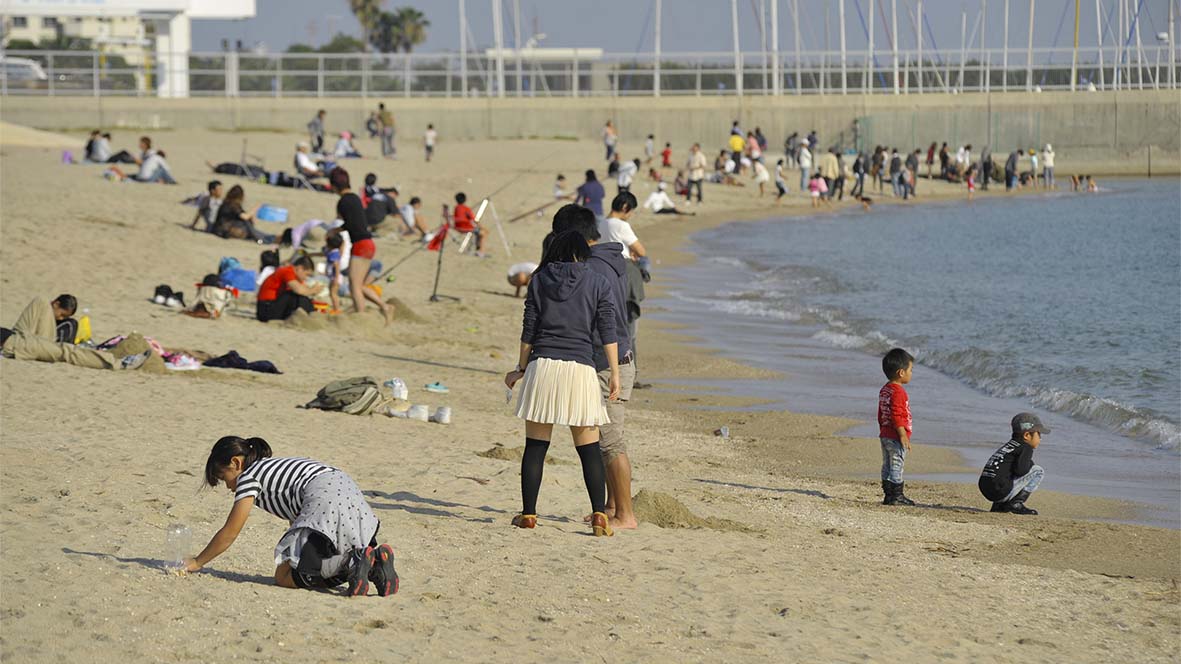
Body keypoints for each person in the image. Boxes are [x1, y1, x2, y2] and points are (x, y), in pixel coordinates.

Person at [503, 230, 620, 536]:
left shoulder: (539, 280)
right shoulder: (598, 282)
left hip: (543, 367)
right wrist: (616, 375)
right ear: (583, 254)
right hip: (581, 369)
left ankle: (529, 514)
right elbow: (608, 331)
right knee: (589, 449)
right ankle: (599, 515)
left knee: (536, 447)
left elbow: (529, 330)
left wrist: (520, 368)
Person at [183, 436, 399, 596]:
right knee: (320, 554)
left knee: (284, 576)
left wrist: (197, 562)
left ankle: (351, 561)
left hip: (324, 499)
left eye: (224, 478)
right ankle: (376, 565)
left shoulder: (248, 478)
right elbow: (298, 513)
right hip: (349, 490)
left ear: (236, 464)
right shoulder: (272, 466)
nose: (229, 487)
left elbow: (230, 532)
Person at [553, 205, 638, 529]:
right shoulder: (609, 261)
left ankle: (626, 515)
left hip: (609, 363)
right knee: (602, 438)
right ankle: (611, 507)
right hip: (613, 358)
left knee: (610, 440)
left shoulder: (593, 269)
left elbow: (597, 319)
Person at [0, 296, 149, 371]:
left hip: (17, 336)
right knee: (66, 350)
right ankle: (120, 364)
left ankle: (45, 345)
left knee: (41, 300)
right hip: (13, 344)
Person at [330, 168, 394, 323]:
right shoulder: (356, 198)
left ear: (333, 186)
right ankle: (383, 307)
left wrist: (336, 230)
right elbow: (357, 222)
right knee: (359, 285)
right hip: (368, 243)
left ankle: (362, 317)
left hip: (360, 244)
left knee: (354, 286)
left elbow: (349, 223)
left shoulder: (343, 202)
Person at [978, 414, 1049, 515]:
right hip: (1000, 491)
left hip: (986, 488)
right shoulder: (1026, 447)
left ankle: (999, 505)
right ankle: (1016, 503)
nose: (1040, 439)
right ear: (1027, 435)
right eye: (1039, 434)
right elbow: (1021, 471)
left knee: (1006, 473)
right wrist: (1030, 464)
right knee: (1038, 471)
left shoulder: (1009, 446)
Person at [878, 348, 915, 506]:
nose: (911, 373)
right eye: (910, 370)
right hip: (895, 435)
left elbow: (881, 413)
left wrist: (882, 428)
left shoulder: (885, 389)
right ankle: (896, 496)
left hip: (885, 434)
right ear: (901, 372)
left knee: (887, 464)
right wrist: (902, 434)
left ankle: (888, 494)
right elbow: (897, 414)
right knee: (897, 464)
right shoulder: (899, 392)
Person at [324, 234, 387, 316]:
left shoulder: (334, 253)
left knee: (335, 293)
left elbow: (337, 265)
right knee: (339, 292)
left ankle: (338, 309)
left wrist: (336, 276)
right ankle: (359, 296)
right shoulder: (337, 251)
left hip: (338, 275)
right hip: (340, 273)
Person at [255, 255, 320, 322]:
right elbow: (299, 290)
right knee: (292, 294)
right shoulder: (287, 271)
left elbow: (304, 291)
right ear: (300, 268)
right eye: (307, 275)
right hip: (265, 309)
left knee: (301, 297)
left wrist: (312, 291)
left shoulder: (295, 277)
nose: (306, 278)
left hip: (272, 306)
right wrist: (312, 290)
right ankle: (310, 316)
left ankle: (310, 314)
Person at [452, 192, 488, 257]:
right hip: (466, 228)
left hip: (458, 227)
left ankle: (478, 248)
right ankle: (481, 252)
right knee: (483, 233)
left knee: (479, 233)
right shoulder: (466, 208)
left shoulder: (456, 208)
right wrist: (482, 227)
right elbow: (474, 219)